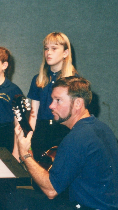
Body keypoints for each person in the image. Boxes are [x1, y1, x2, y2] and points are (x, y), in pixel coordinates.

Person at [15, 76, 118, 210]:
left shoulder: (77, 137)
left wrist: (25, 154)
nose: (51, 105)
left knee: (17, 200)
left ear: (78, 103)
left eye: (58, 100)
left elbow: (51, 190)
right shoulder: (102, 128)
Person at [27, 32, 78, 160]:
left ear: (65, 53)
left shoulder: (74, 81)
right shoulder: (38, 79)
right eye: (46, 48)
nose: (48, 53)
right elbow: (33, 114)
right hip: (41, 132)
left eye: (54, 48)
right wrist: (29, 137)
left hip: (63, 131)